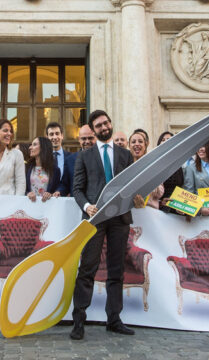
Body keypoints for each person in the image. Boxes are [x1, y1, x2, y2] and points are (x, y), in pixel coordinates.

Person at [70, 110, 138, 340]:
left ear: (110, 123)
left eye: (106, 123)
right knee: (87, 268)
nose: (104, 127)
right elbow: (77, 189)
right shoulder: (84, 156)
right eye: (98, 125)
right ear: (93, 129)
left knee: (116, 270)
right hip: (94, 219)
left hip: (120, 220)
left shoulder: (125, 154)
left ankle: (114, 320)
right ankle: (78, 320)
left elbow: (131, 185)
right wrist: (86, 206)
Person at [25, 136, 60, 202]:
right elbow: (23, 189)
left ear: (43, 148)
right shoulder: (27, 167)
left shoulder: (55, 170)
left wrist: (50, 194)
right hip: (29, 205)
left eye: (34, 144)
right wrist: (27, 193)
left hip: (47, 207)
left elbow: (56, 191)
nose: (30, 147)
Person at [46, 121, 75, 196]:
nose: (55, 137)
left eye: (57, 133)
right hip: (45, 200)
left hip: (65, 199)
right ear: (47, 137)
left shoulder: (71, 158)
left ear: (62, 135)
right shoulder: (43, 158)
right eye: (51, 134)